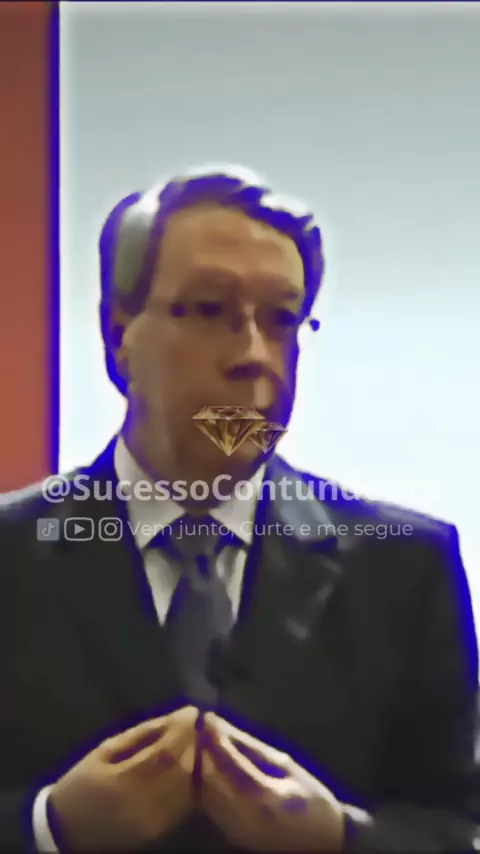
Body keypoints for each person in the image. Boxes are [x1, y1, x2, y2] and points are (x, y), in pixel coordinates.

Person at [0, 163, 478, 853]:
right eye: (208, 310)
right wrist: (48, 828)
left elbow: (459, 829)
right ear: (117, 335)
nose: (253, 356)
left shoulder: (405, 567)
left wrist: (340, 840)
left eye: (281, 319)